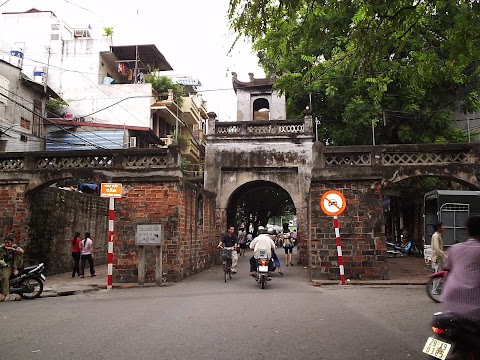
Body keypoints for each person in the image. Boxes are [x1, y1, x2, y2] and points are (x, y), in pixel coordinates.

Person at [442, 215, 480, 323]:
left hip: (449, 302)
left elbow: (447, 270)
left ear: (467, 231)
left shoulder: (455, 249)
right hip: (475, 309)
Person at [0, 235, 24, 301]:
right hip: (5, 264)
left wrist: (13, 250)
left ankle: (5, 294)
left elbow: (22, 251)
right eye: (5, 243)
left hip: (13, 265)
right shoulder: (2, 248)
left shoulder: (15, 247)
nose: (7, 244)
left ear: (12, 242)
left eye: (8, 243)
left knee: (5, 277)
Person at [431, 221, 445, 295]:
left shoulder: (437, 235)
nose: (443, 227)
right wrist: (444, 255)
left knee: (439, 274)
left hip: (438, 257)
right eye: (442, 226)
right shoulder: (436, 236)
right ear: (438, 228)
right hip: (438, 258)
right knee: (438, 274)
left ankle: (437, 288)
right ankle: (435, 289)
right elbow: (437, 248)